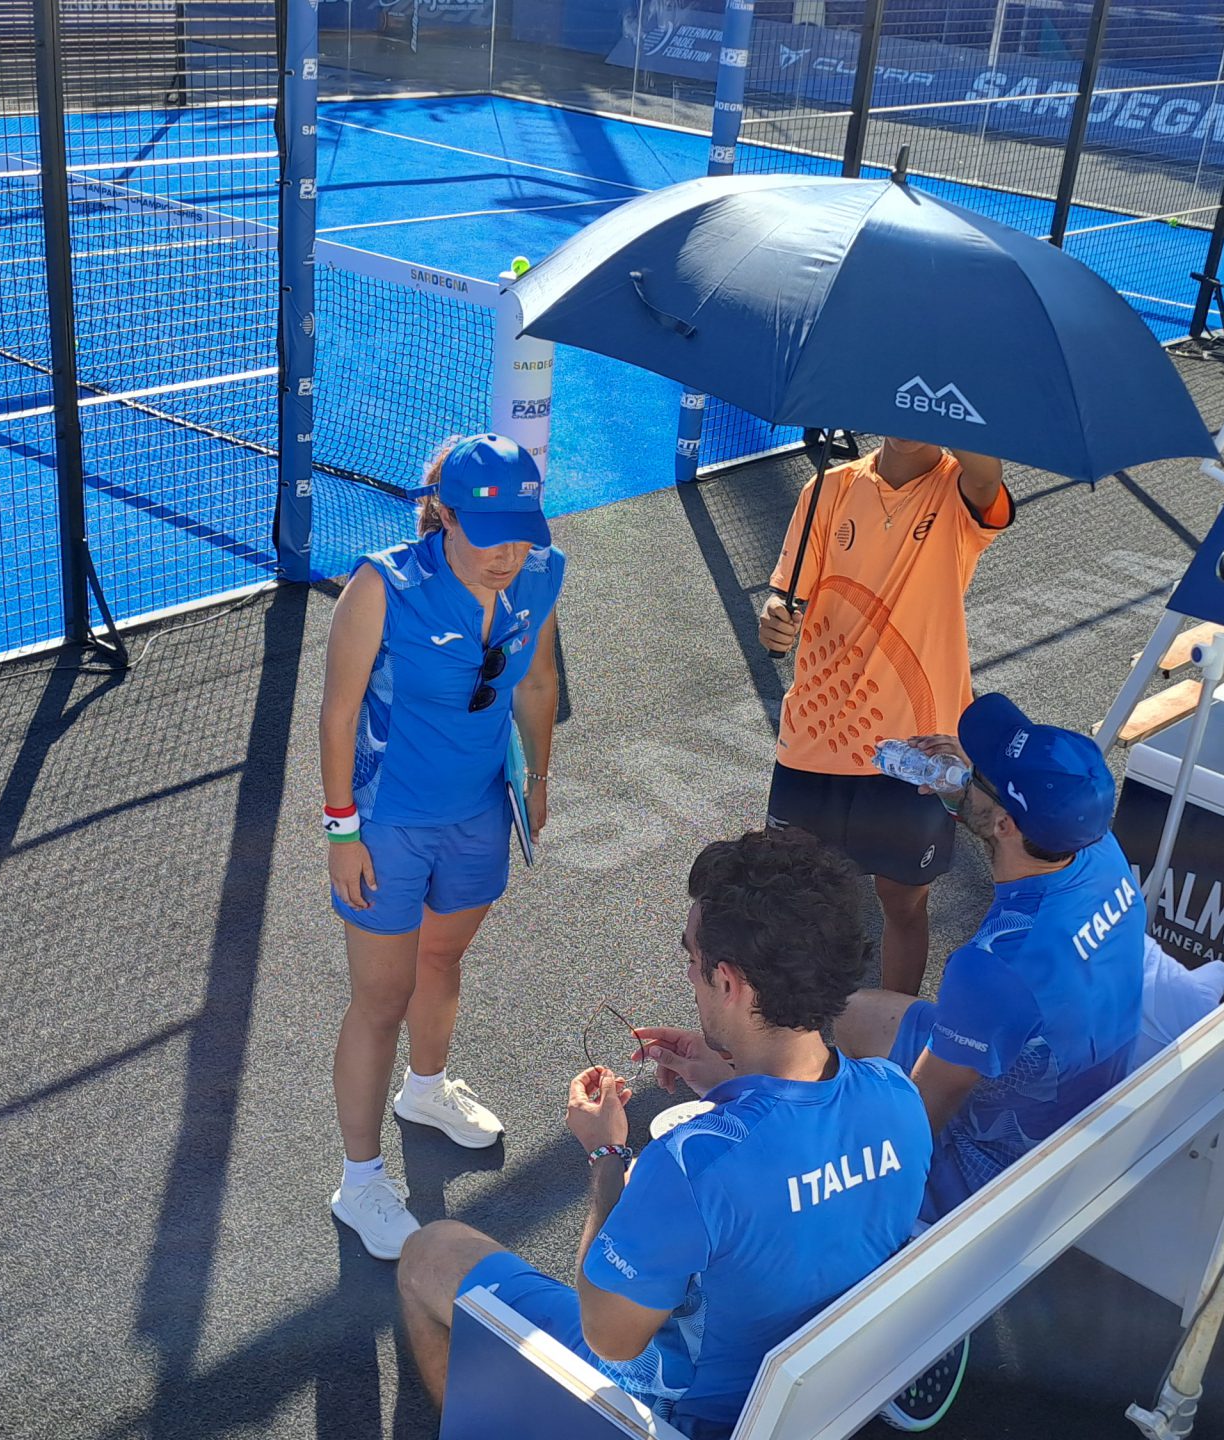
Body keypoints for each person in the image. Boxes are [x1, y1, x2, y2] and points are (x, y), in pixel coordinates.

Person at [395, 829, 931, 1435]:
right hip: (812, 1402)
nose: (690, 975)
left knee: (428, 1253)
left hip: (682, 1417)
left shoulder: (688, 1168)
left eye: (693, 962)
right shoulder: (897, 1095)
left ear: (728, 984)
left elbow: (610, 1336)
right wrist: (726, 1075)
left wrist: (605, 1157)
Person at [834, 693, 1145, 1432]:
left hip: (1007, 1156)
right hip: (1085, 1098)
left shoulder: (994, 966)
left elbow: (925, 1113)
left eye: (982, 774)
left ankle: (911, 1272)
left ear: (1005, 821)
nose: (968, 765)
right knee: (858, 1011)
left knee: (837, 1049)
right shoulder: (1097, 848)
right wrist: (962, 790)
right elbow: (1018, 844)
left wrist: (848, 1164)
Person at [321, 434, 564, 1260]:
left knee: (443, 963)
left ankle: (425, 1092)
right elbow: (338, 713)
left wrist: (535, 781)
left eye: (523, 531)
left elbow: (534, 680)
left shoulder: (540, 572)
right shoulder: (382, 584)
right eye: (490, 534)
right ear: (445, 517)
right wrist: (341, 830)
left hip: (478, 814)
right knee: (380, 1000)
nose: (510, 554)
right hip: (387, 823)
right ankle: (359, 1183)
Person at [759, 436, 1014, 996]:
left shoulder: (960, 491)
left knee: (902, 901)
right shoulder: (827, 487)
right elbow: (786, 595)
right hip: (814, 738)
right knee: (789, 899)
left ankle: (892, 1041)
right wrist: (775, 614)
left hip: (919, 747)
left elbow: (986, 472)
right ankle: (785, 1037)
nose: (907, 419)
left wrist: (951, 407)